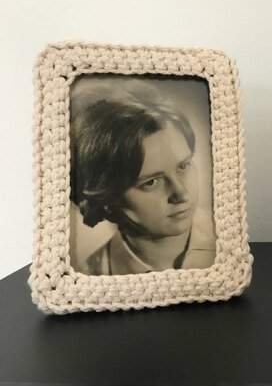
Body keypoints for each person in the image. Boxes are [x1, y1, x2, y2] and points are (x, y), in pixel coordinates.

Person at [69, 84, 216, 275]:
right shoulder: (90, 275)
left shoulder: (225, 244)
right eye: (151, 182)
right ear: (106, 198)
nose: (182, 194)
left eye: (183, 166)